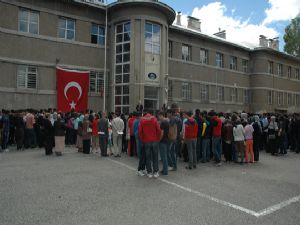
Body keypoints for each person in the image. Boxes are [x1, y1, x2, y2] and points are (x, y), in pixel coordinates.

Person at [139, 111, 161, 179]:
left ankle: (149, 172)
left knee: (148, 157)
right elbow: (159, 130)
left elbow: (140, 132)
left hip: (146, 141)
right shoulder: (154, 119)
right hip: (154, 141)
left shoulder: (142, 120)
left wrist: (143, 139)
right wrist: (157, 138)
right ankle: (156, 172)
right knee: (155, 157)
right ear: (151, 114)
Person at [158, 111, 169, 176]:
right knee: (165, 156)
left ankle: (165, 171)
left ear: (161, 115)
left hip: (162, 141)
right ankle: (164, 169)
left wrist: (159, 140)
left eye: (159, 116)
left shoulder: (163, 123)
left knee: (163, 157)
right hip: (166, 140)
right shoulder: (167, 122)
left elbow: (161, 133)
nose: (158, 117)